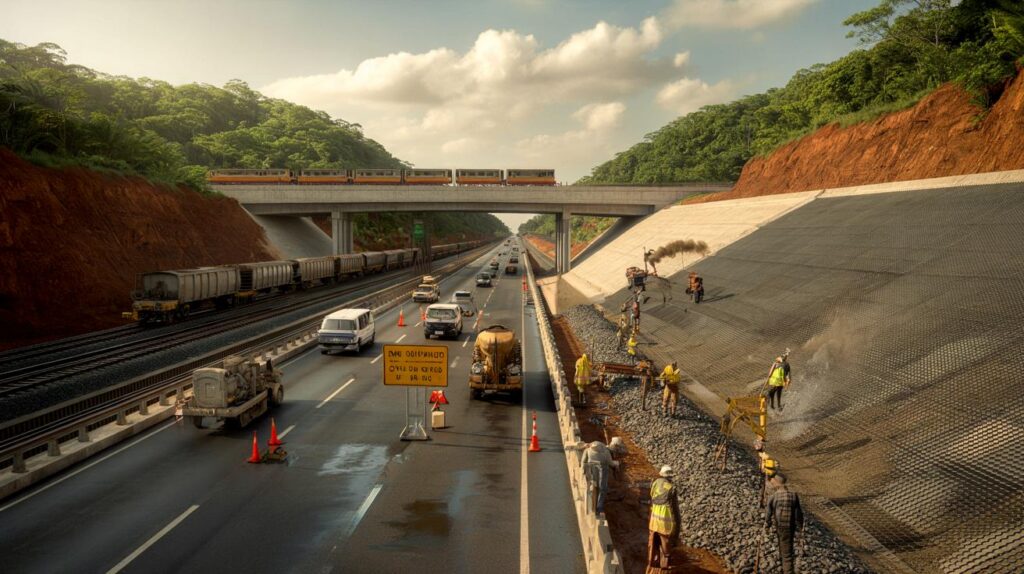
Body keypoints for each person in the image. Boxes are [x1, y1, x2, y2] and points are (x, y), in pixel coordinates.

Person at [764, 474, 804, 574]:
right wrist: (800, 527)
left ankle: (788, 571)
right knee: (786, 548)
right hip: (790, 527)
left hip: (781, 526)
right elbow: (798, 513)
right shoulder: (794, 495)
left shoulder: (774, 497)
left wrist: (767, 526)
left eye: (772, 480)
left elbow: (768, 514)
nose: (771, 482)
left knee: (786, 552)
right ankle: (785, 569)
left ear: (777, 482)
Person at [648, 465, 680, 570]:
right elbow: (674, 507)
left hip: (654, 517)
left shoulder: (655, 483)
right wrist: (677, 523)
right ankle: (665, 563)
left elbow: (652, 496)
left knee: (653, 540)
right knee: (665, 541)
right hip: (665, 519)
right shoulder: (671, 488)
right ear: (670, 476)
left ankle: (651, 561)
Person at [581, 441, 615, 514]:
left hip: (590, 471)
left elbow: (583, 462)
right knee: (602, 489)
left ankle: (592, 507)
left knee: (592, 488)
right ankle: (599, 508)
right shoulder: (606, 452)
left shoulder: (587, 450)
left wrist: (583, 471)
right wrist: (617, 463)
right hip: (602, 471)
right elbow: (611, 463)